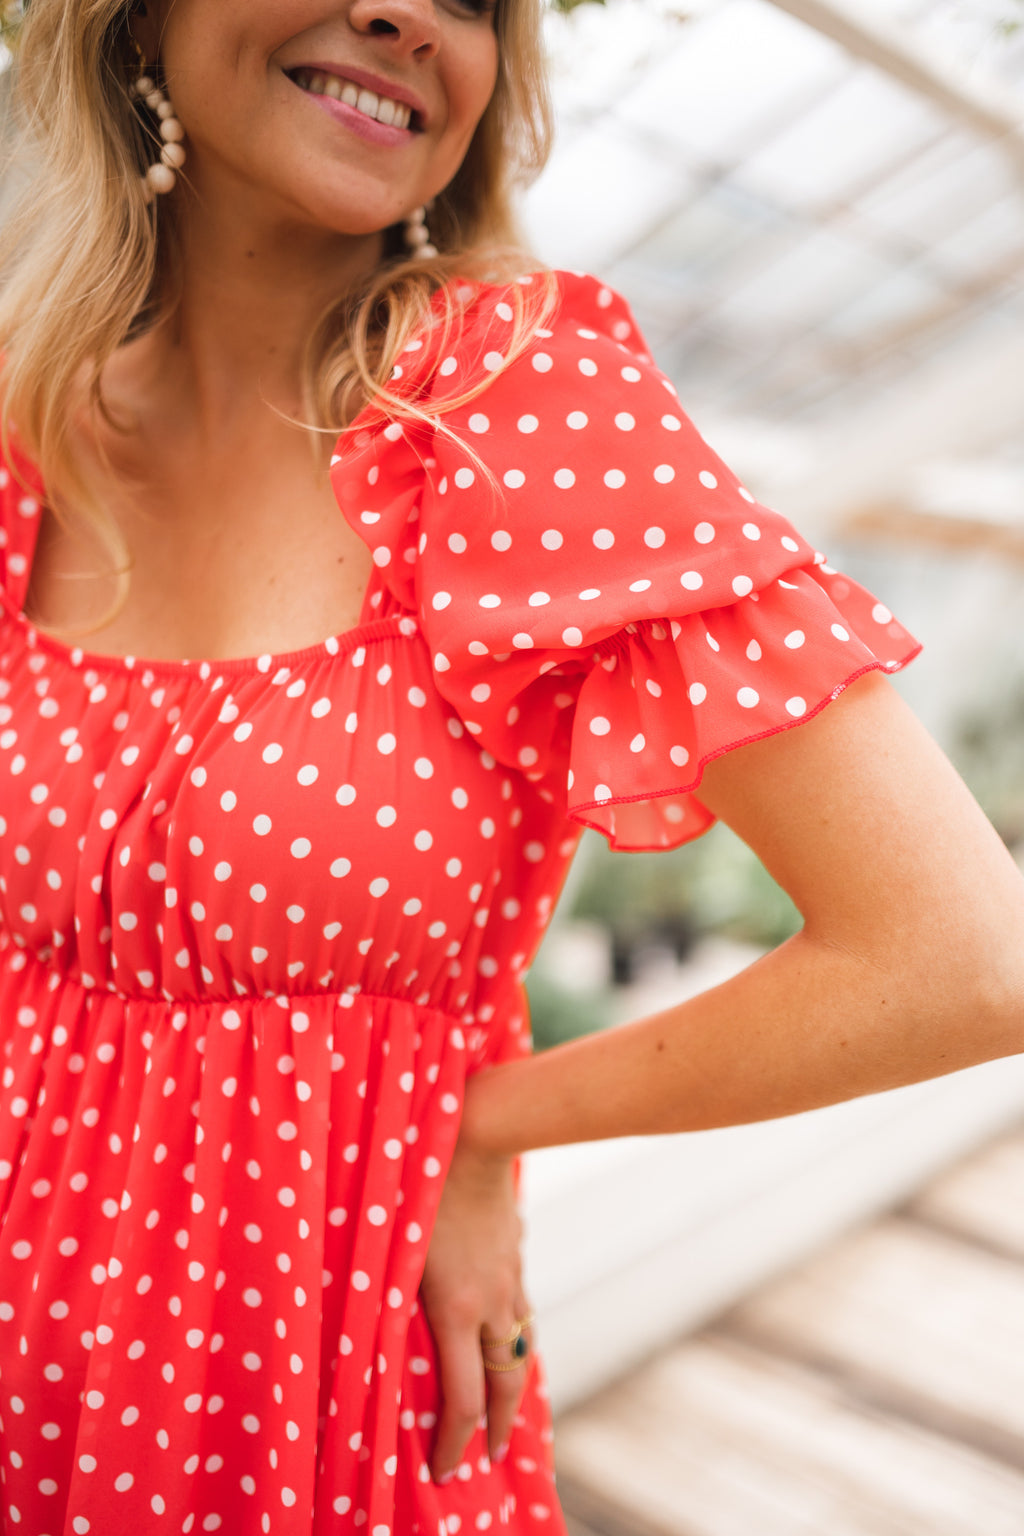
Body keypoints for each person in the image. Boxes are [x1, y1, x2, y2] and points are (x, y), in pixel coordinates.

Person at [0, 0, 1022, 1531]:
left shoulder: (500, 401)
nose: (410, 13)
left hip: (316, 1361)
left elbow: (963, 956)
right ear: (135, 23)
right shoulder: (32, 427)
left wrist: (489, 1126)